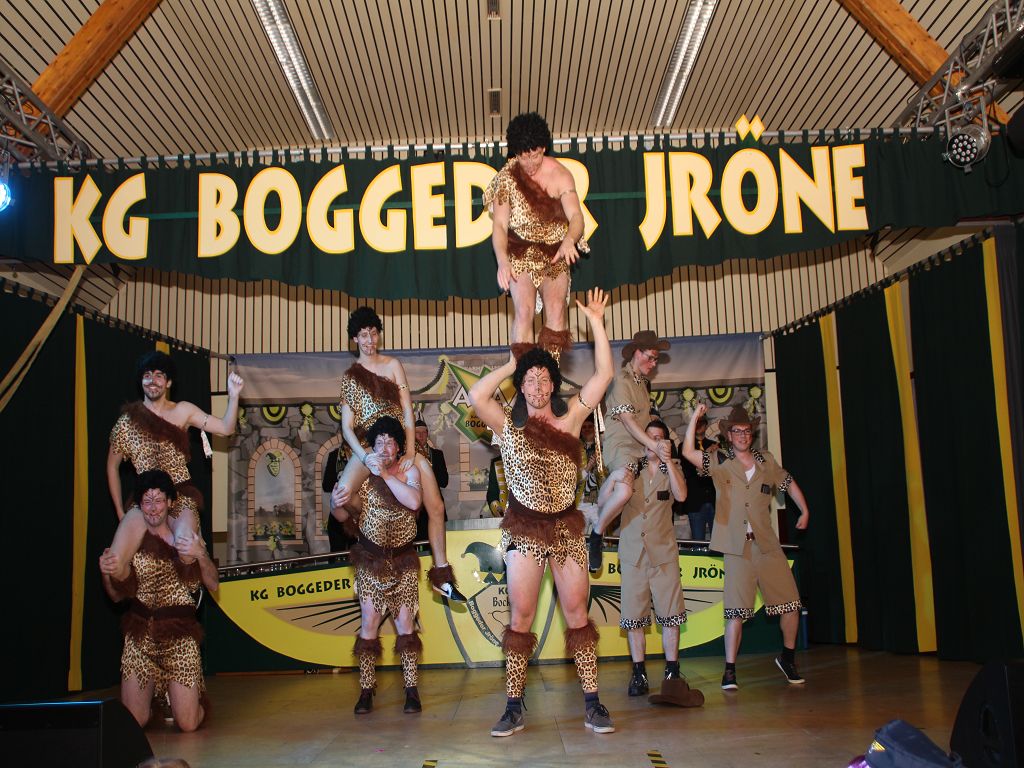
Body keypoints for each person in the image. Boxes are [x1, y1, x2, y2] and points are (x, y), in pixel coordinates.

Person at [468, 288, 616, 738]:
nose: (536, 387)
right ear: (522, 387)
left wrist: (596, 323)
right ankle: (513, 706)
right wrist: (512, 364)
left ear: (553, 385)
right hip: (525, 531)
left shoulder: (571, 420)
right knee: (521, 619)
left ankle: (592, 702)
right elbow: (477, 395)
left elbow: (604, 375)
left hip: (566, 530)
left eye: (542, 379)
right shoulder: (508, 428)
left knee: (577, 615)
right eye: (528, 381)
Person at [680, 403, 810, 690]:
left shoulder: (766, 460)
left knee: (791, 604)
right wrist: (694, 419)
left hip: (767, 545)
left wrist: (804, 510)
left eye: (747, 431)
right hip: (737, 547)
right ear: (728, 435)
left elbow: (788, 482)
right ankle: (729, 670)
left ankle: (788, 658)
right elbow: (688, 452)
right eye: (737, 431)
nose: (742, 435)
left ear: (752, 434)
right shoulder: (719, 460)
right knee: (735, 612)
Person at [334, 308, 461, 601]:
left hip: (399, 444)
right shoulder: (350, 377)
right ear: (355, 339)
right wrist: (364, 456)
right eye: (363, 335)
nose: (369, 340)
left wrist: (411, 450)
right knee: (342, 496)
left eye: (373, 333)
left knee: (436, 505)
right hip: (368, 448)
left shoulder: (393, 365)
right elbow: (346, 427)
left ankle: (442, 575)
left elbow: (406, 410)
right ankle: (367, 561)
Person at [99, 470, 219, 732]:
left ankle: (187, 700)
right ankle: (156, 700)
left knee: (187, 724)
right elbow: (116, 597)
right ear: (139, 505)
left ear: (170, 502)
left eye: (158, 501)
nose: (153, 509)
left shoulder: (186, 541)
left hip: (179, 637)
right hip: (141, 636)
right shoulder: (132, 542)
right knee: (134, 722)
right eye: (147, 502)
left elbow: (213, 585)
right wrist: (107, 574)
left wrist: (201, 555)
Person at [330, 417, 425, 715]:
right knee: (369, 624)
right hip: (370, 563)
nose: (384, 448)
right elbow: (343, 516)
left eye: (390, 442)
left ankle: (411, 690)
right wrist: (335, 502)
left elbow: (414, 502)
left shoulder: (409, 471)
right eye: (379, 442)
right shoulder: (363, 477)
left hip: (403, 563)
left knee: (406, 627)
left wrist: (384, 474)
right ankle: (366, 690)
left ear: (398, 447)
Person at [107, 350, 243, 548]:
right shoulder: (127, 421)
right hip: (145, 500)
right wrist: (120, 513)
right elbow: (112, 467)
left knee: (186, 546)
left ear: (168, 382)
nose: (152, 381)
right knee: (116, 559)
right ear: (141, 381)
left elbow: (226, 429)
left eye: (159, 375)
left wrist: (234, 396)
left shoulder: (183, 410)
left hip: (180, 495)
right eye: (147, 375)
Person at [484, 112, 589, 362]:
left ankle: (549, 374)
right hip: (520, 251)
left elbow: (576, 217)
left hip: (554, 251)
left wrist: (569, 240)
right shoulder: (506, 179)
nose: (530, 163)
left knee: (557, 308)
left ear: (543, 148)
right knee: (524, 310)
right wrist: (502, 261)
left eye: (535, 155)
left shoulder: (561, 175)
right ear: (515, 154)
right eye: (523, 157)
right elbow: (500, 225)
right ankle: (524, 374)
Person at [616, 420, 703, 706]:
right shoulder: (631, 468)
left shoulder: (672, 469)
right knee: (634, 618)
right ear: (642, 440)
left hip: (663, 555)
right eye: (650, 437)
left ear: (666, 442)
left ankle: (672, 671)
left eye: (660, 438)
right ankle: (638, 673)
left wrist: (669, 462)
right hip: (633, 554)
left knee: (671, 616)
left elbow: (682, 495)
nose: (654, 442)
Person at [587, 331, 670, 573]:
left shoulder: (642, 384)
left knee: (624, 497)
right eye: (650, 358)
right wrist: (654, 444)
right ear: (636, 352)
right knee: (623, 491)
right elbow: (627, 421)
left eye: (656, 359)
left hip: (639, 449)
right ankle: (596, 535)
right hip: (621, 444)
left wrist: (659, 435)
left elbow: (643, 419)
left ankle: (601, 507)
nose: (653, 364)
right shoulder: (621, 380)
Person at [679, 412, 717, 540]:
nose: (699, 425)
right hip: (695, 500)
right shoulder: (684, 447)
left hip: (715, 499)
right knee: (698, 542)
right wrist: (707, 453)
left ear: (706, 426)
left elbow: (719, 472)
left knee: (719, 542)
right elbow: (687, 471)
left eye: (702, 423)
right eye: (697, 423)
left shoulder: (715, 445)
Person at [413, 418, 448, 542]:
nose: (421, 436)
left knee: (438, 540)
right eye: (417, 433)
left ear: (427, 434)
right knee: (417, 543)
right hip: (417, 509)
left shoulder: (437, 454)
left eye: (424, 432)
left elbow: (444, 481)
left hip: (435, 504)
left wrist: (429, 475)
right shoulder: (408, 456)